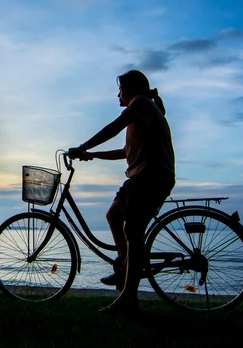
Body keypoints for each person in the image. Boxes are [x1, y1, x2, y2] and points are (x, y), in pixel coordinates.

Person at [68, 70, 175, 314]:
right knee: (114, 216)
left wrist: (83, 146)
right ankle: (125, 268)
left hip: (152, 176)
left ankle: (129, 298)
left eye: (120, 90)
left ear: (131, 90)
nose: (118, 95)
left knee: (132, 229)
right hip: (140, 176)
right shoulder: (142, 111)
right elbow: (125, 151)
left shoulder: (141, 103)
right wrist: (92, 155)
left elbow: (114, 127)